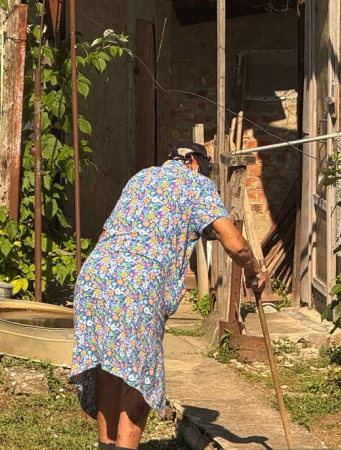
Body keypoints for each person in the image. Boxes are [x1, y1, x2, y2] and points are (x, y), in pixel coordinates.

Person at [69, 143, 267, 450]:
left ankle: (106, 446)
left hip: (96, 276)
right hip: (137, 287)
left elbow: (105, 235)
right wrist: (255, 269)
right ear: (191, 162)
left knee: (110, 367)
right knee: (143, 380)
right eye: (203, 169)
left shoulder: (141, 177)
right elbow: (236, 244)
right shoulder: (196, 185)